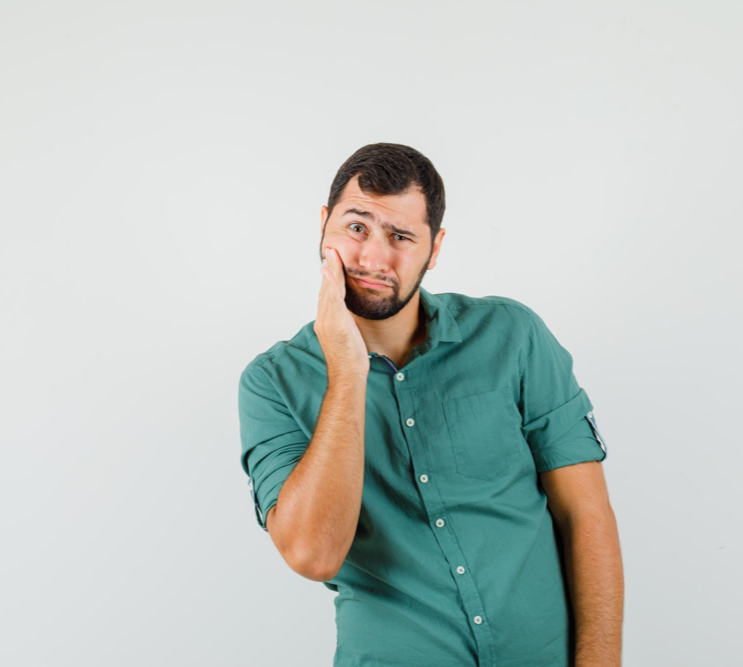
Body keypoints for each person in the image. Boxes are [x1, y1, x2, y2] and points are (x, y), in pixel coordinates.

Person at [238, 142, 623, 666]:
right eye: (356, 228)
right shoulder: (272, 383)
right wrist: (347, 372)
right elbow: (311, 553)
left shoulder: (513, 336)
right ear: (324, 225)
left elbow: (586, 513)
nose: (373, 258)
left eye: (400, 237)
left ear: (434, 248)